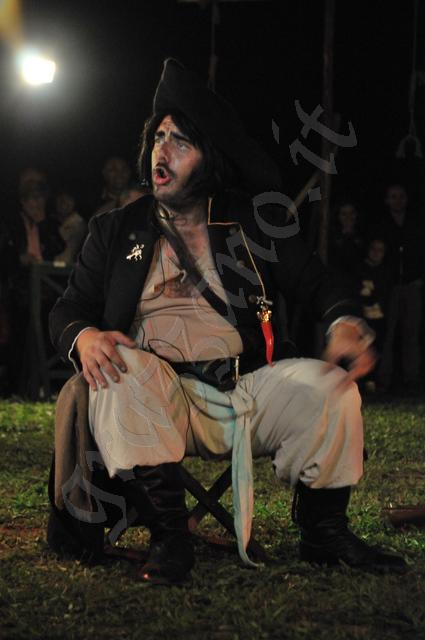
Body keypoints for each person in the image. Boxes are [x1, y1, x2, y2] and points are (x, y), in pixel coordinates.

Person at [48, 59, 406, 584]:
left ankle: (323, 532)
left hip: (244, 390)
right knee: (120, 363)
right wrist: (84, 336)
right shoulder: (115, 229)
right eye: (159, 138)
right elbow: (68, 308)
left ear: (209, 159)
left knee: (329, 389)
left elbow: (320, 284)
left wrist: (344, 321)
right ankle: (170, 536)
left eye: (181, 142)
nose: (162, 151)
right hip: (155, 397)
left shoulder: (254, 220)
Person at [376, 183, 425, 394]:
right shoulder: (381, 224)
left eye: (401, 196)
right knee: (387, 333)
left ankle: (411, 378)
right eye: (393, 196)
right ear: (387, 200)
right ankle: (383, 379)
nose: (398, 200)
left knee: (411, 334)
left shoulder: (415, 223)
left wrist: (420, 277)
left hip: (412, 285)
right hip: (390, 287)